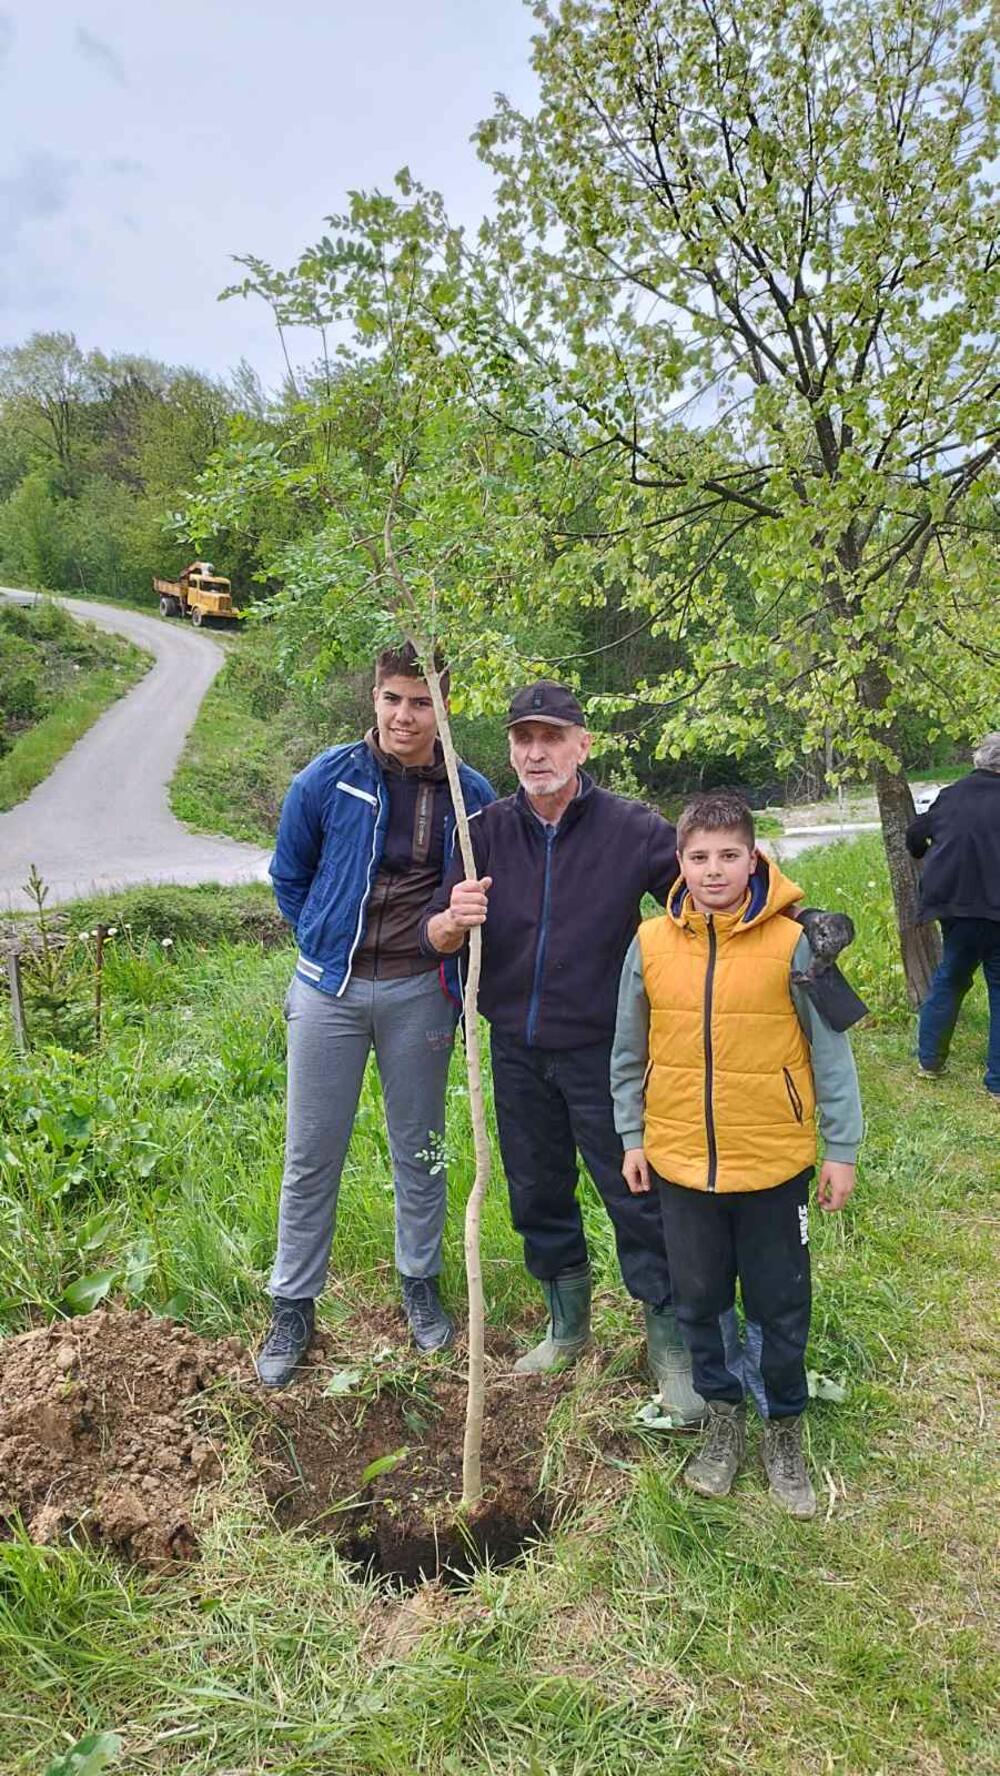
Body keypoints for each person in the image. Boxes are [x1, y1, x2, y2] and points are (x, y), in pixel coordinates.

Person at [420, 682, 714, 1426]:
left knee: (636, 1195)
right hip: (515, 1048)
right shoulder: (480, 828)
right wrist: (452, 921)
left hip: (603, 1054)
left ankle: (670, 1347)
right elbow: (433, 928)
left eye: (552, 737)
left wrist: (793, 916)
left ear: (584, 744)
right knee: (536, 1192)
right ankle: (568, 1326)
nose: (536, 752)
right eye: (523, 738)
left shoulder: (632, 829)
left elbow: (709, 890)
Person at [611, 792, 863, 1517]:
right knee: (701, 1301)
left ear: (753, 858)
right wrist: (634, 1136)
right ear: (680, 863)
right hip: (682, 1164)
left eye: (729, 856)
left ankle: (783, 1424)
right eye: (698, 858)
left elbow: (831, 1054)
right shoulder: (651, 943)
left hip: (773, 1164)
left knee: (781, 1303)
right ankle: (722, 1418)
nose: (714, 871)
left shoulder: (796, 943)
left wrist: (839, 1148)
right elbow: (628, 1050)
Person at [255, 644, 495, 1387]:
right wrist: (326, 941)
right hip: (329, 990)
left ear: (443, 709)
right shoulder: (327, 779)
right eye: (393, 698)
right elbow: (289, 875)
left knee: (420, 1150)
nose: (404, 715)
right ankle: (293, 1303)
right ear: (374, 698)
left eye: (421, 702)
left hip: (421, 990)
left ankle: (420, 1285)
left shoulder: (470, 792)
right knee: (310, 1154)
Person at [906, 734, 1000, 1105]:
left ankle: (930, 1061)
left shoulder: (952, 794)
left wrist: (925, 852)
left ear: (981, 760)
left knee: (950, 977)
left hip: (954, 905)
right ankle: (996, 1083)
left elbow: (915, 833)